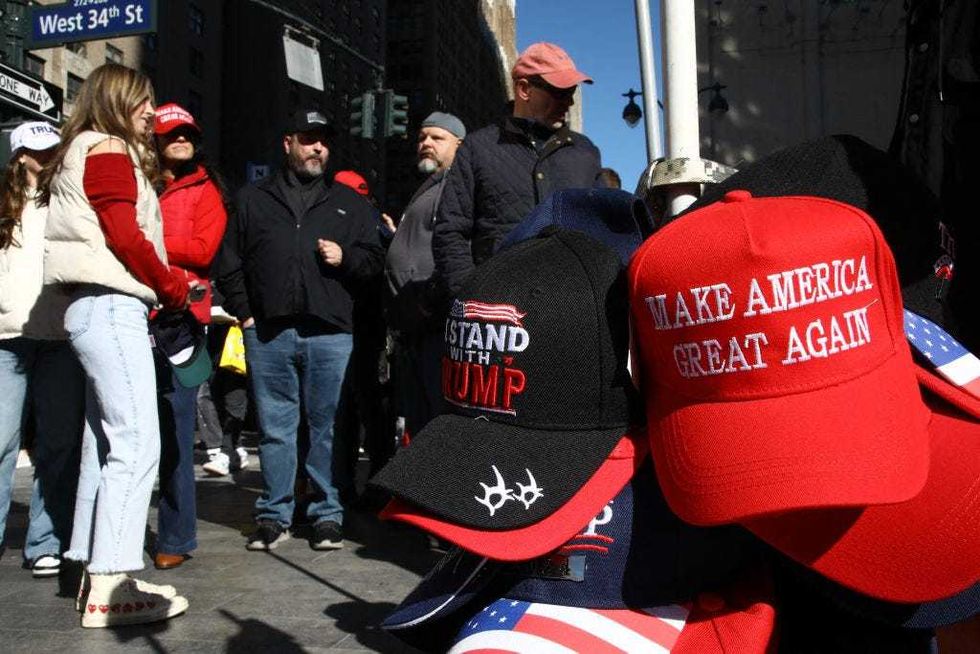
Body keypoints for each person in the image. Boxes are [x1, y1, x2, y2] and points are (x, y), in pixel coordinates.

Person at [40, 63, 193, 627]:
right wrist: (171, 283)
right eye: (143, 100)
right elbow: (122, 233)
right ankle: (115, 585)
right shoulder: (107, 146)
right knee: (135, 445)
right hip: (110, 304)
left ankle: (90, 573)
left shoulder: (83, 146)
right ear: (115, 99)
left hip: (92, 307)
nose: (152, 111)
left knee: (103, 446)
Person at [215, 109, 384, 551]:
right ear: (288, 143)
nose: (318, 149)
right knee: (275, 428)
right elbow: (229, 261)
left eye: (324, 141)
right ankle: (275, 514)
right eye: (309, 140)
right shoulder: (253, 200)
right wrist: (245, 313)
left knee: (328, 427)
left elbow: (373, 263)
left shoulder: (350, 203)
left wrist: (345, 257)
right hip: (269, 331)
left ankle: (327, 513)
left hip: (331, 333)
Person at [432, 42, 601, 297]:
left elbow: (602, 230)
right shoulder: (477, 148)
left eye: (572, 91)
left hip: (571, 305)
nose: (569, 101)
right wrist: (472, 296)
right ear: (524, 89)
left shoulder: (585, 152)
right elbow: (450, 231)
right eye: (559, 92)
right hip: (499, 311)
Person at [0, 122, 85, 579]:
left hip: (59, 336)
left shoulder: (69, 200)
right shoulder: (2, 202)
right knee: (0, 443)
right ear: (20, 156)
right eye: (39, 149)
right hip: (5, 337)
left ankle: (46, 541)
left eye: (54, 146)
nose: (50, 154)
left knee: (58, 443)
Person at [151, 102, 228, 570]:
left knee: (178, 432)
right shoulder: (139, 181)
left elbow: (202, 249)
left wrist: (143, 238)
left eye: (188, 133)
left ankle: (175, 538)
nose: (181, 139)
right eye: (171, 133)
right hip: (129, 313)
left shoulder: (206, 191)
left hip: (179, 321)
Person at [385, 112, 465, 437]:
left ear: (459, 146)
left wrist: (429, 304)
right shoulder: (429, 186)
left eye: (437, 138)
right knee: (418, 430)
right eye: (422, 138)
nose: (426, 144)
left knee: (438, 429)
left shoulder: (457, 186)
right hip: (413, 330)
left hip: (436, 328)